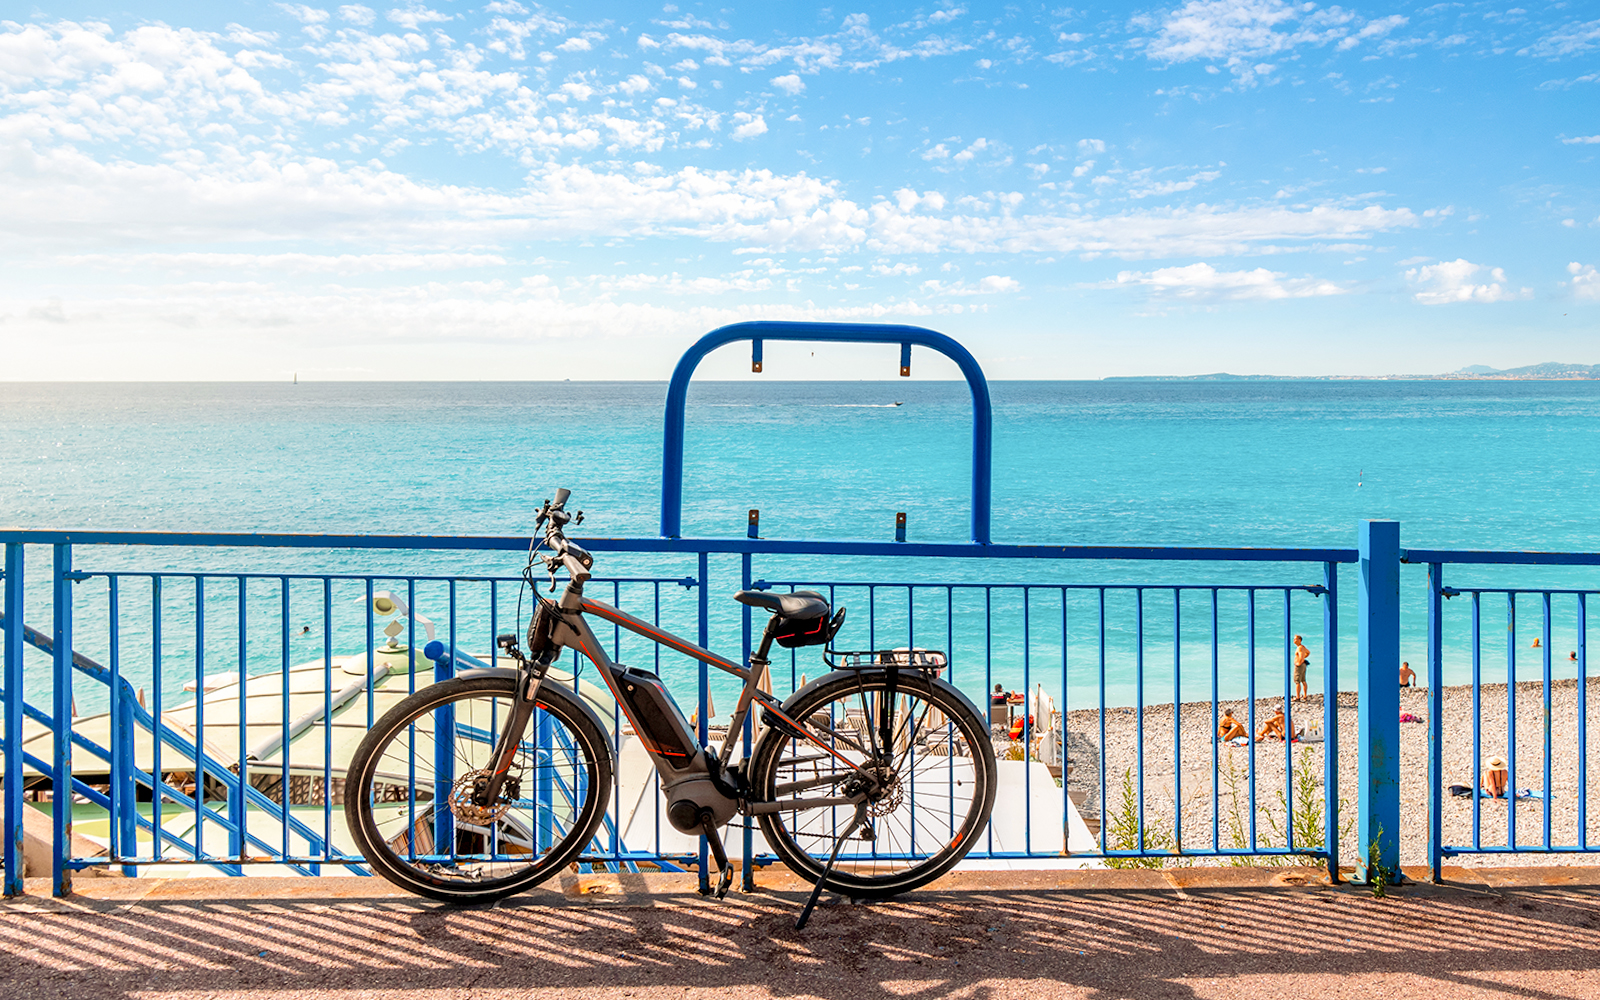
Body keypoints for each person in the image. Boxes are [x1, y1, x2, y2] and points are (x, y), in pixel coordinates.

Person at [1293, 635, 1312, 702]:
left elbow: (1301, 656)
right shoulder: (1302, 647)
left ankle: (1298, 697)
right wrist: (1304, 657)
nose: (1294, 640)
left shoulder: (1300, 648)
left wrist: (1299, 663)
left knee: (1297, 681)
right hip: (1303, 665)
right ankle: (1305, 696)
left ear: (1299, 640)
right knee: (1303, 680)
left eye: (1295, 639)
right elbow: (1308, 652)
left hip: (1300, 666)